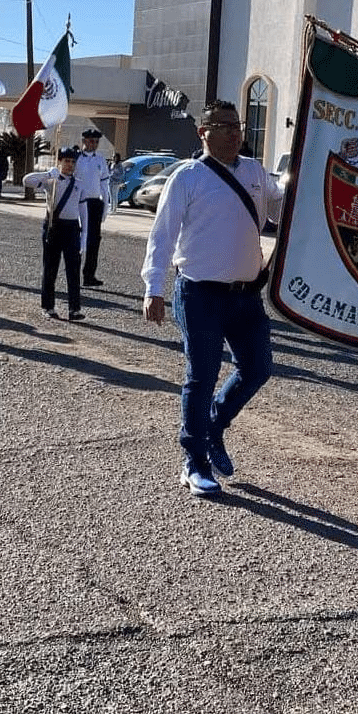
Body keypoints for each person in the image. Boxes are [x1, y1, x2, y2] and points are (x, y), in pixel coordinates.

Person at [141, 100, 284, 497]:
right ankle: (194, 461)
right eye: (223, 126)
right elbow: (162, 234)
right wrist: (153, 288)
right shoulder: (187, 177)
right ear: (202, 133)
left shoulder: (255, 172)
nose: (234, 133)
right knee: (202, 376)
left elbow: (280, 209)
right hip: (199, 292)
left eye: (237, 125)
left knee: (257, 369)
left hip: (246, 296)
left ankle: (213, 427)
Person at [23, 146, 86, 321]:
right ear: (59, 162)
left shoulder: (79, 184)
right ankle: (48, 306)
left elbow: (83, 212)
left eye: (72, 162)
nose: (70, 165)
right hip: (54, 226)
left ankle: (74, 309)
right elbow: (27, 181)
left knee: (73, 270)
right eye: (66, 161)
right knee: (50, 268)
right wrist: (48, 174)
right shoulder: (51, 181)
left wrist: (85, 236)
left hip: (72, 228)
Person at [76, 127, 111, 287]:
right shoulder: (76, 158)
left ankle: (89, 275)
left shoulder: (100, 160)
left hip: (95, 203)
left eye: (96, 142)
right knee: (77, 239)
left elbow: (104, 184)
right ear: (84, 141)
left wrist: (105, 206)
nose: (94, 144)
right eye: (91, 141)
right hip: (79, 203)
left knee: (94, 241)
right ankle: (73, 275)